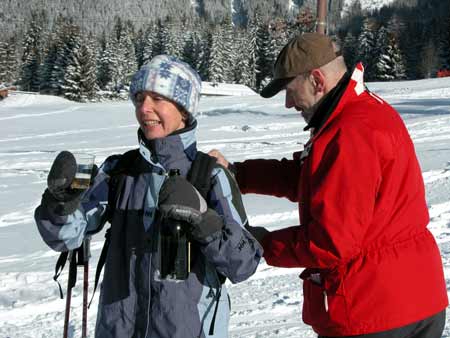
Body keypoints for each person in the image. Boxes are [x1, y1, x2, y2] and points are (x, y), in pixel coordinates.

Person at [209, 33, 448, 338]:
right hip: (414, 299)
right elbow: (315, 179)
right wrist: (238, 174)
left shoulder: (350, 132)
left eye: (290, 90)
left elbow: (330, 242)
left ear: (317, 80)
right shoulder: (360, 111)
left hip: (375, 313)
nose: (287, 103)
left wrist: (260, 243)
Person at [35, 55, 263, 338]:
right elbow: (67, 237)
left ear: (184, 110)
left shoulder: (211, 175)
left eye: (158, 98)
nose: (144, 108)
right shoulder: (119, 170)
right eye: (139, 98)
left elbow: (244, 264)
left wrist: (204, 220)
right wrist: (59, 203)